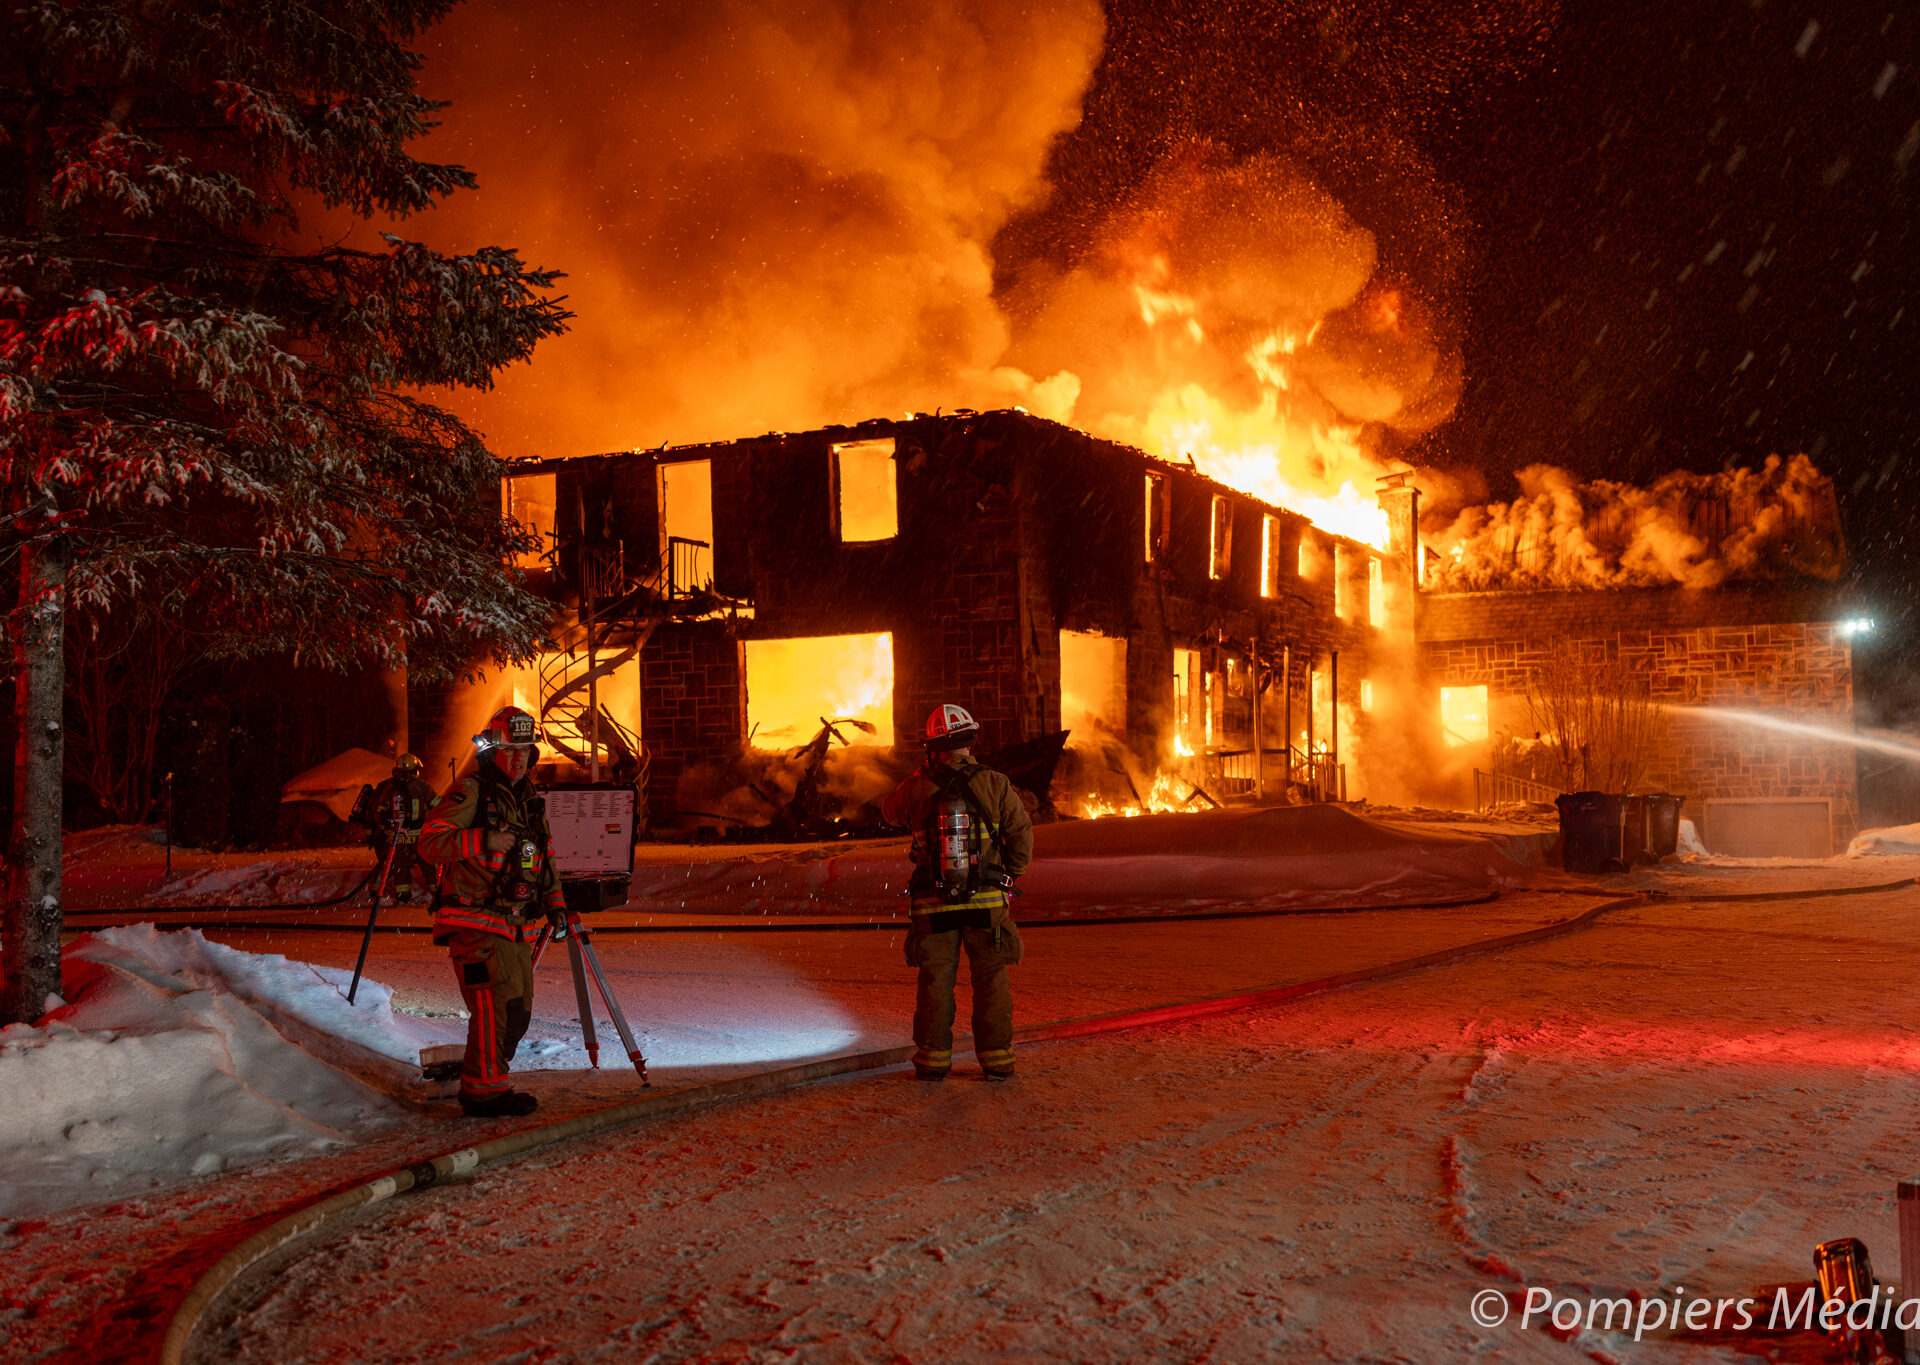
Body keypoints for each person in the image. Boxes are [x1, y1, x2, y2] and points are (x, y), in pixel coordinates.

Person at [417, 705, 568, 1118]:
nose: (519, 759)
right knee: (493, 1008)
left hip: (514, 922)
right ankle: (485, 1095)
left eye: (525, 752)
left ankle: (485, 1080)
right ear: (493, 752)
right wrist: (482, 840)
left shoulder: (529, 801)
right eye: (511, 751)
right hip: (473, 920)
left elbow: (545, 856)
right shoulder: (471, 791)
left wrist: (556, 907)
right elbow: (430, 843)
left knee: (516, 1013)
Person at [881, 703, 1034, 1081]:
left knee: (935, 982)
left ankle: (933, 1062)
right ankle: (997, 1061)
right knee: (991, 980)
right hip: (986, 904)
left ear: (932, 746)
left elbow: (888, 812)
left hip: (933, 907)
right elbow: (1021, 836)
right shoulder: (995, 783)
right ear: (971, 740)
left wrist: (921, 775)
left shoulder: (915, 786)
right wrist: (1009, 874)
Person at [368, 752, 437, 902]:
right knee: (429, 863)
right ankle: (437, 891)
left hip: (397, 837)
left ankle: (402, 895)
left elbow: (378, 810)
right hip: (419, 835)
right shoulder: (423, 786)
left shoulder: (388, 786)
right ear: (415, 769)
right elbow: (437, 806)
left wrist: (385, 828)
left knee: (400, 866)